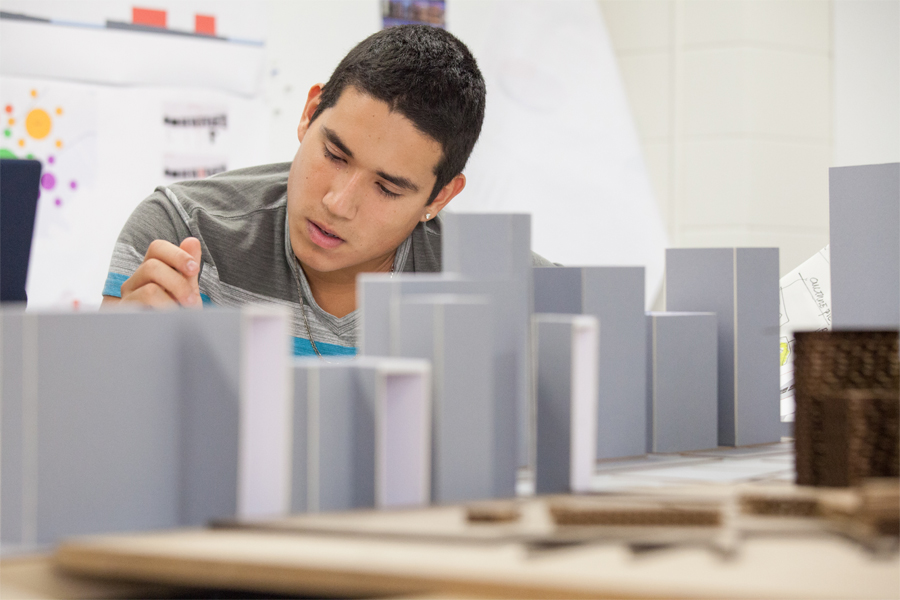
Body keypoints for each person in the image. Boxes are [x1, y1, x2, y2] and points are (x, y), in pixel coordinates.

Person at [102, 25, 552, 356]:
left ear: (439, 198)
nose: (337, 204)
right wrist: (117, 357)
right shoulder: (181, 234)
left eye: (387, 188)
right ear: (310, 112)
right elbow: (90, 436)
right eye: (335, 155)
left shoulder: (502, 282)